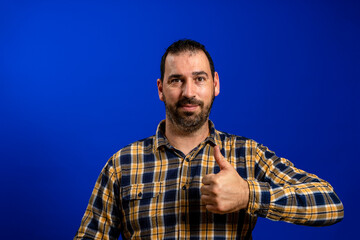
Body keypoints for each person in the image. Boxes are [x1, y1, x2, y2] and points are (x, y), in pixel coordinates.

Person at [74, 39, 344, 240]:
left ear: (215, 84)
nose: (188, 92)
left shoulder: (246, 155)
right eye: (176, 80)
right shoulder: (123, 164)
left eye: (199, 79)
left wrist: (249, 194)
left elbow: (330, 204)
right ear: (160, 89)